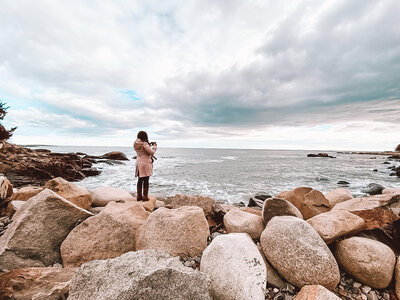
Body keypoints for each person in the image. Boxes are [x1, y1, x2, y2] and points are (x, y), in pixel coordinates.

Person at [134, 131, 157, 201]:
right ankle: (145, 196)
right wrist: (154, 147)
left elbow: (143, 150)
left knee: (140, 180)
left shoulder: (136, 143)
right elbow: (151, 152)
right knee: (146, 180)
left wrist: (148, 144)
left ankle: (139, 196)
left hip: (138, 163)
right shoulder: (144, 144)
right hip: (145, 163)